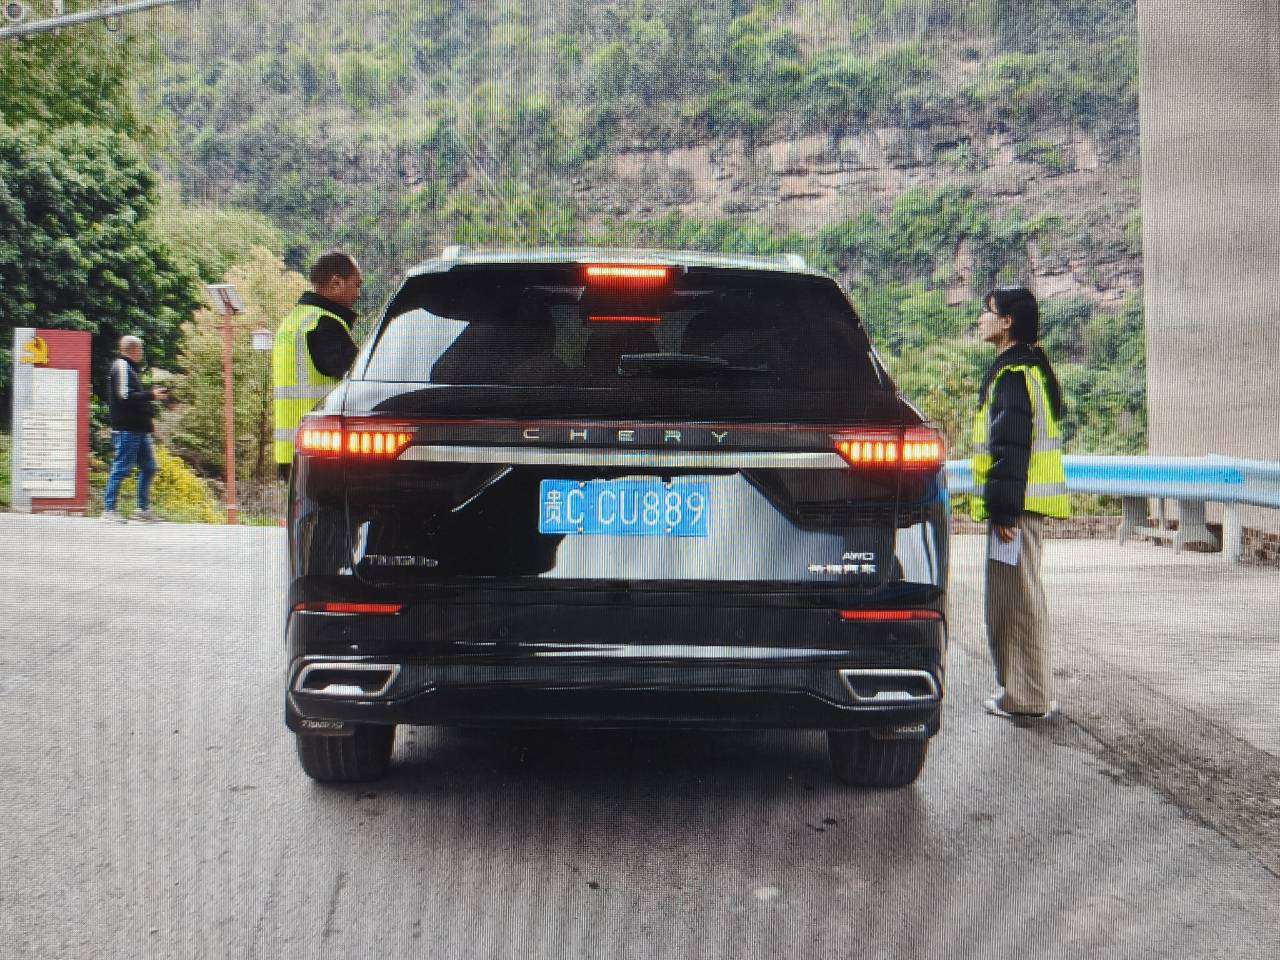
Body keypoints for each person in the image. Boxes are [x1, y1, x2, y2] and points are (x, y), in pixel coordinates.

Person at [970, 286, 1071, 721]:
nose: (981, 318)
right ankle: (1024, 691)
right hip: (1020, 507)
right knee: (1015, 599)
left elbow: (1011, 448)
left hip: (1017, 510)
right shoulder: (1026, 368)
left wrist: (1005, 512)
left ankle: (1027, 698)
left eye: (988, 311)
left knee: (1017, 603)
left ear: (1007, 322)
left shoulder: (1014, 374)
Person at [272, 251, 361, 480]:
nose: (358, 294)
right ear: (336, 283)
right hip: (320, 450)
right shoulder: (324, 324)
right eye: (356, 285)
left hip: (290, 451)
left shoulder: (292, 321)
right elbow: (360, 377)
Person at [103, 335, 169, 522]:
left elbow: (134, 397)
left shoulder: (130, 368)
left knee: (149, 467)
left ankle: (142, 510)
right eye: (140, 349)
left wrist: (149, 420)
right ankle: (109, 510)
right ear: (132, 349)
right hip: (127, 429)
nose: (141, 352)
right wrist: (152, 395)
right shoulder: (121, 366)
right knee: (121, 468)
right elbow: (125, 396)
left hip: (139, 430)